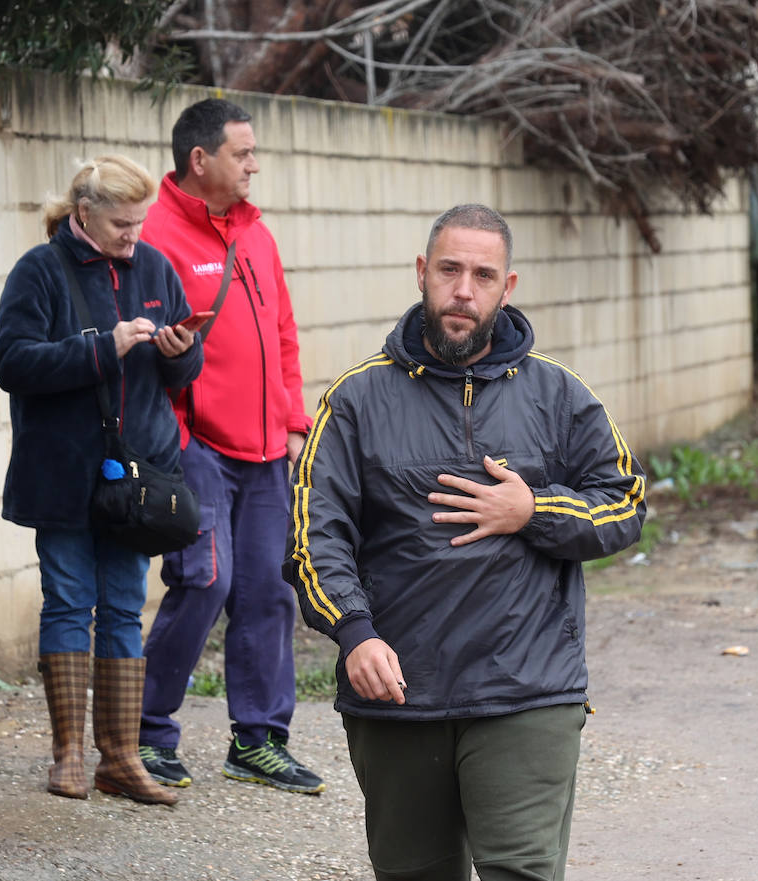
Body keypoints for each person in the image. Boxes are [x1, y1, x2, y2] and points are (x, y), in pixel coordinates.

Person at [285, 204, 648, 880]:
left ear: (507, 287)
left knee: (521, 870)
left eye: (483, 275)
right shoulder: (357, 400)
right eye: (450, 270)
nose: (463, 290)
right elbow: (313, 534)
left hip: (526, 688)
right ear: (422, 273)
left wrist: (533, 507)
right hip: (399, 694)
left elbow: (625, 503)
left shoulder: (560, 395)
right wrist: (355, 631)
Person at [0, 155, 203, 806]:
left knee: (120, 607)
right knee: (67, 603)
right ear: (84, 213)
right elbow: (13, 362)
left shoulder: (154, 267)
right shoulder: (39, 270)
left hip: (136, 476)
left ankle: (120, 758)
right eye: (121, 224)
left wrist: (179, 352)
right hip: (62, 471)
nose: (133, 237)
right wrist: (101, 346)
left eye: (140, 223)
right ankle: (70, 757)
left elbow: (184, 369)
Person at [135, 98, 322, 794]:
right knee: (204, 580)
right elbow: (149, 357)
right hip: (196, 447)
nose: (254, 164)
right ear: (200, 160)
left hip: (269, 448)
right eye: (243, 153)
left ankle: (260, 740)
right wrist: (177, 439)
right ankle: (146, 731)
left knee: (270, 591)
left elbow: (284, 334)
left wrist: (294, 420)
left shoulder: (258, 235)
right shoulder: (154, 237)